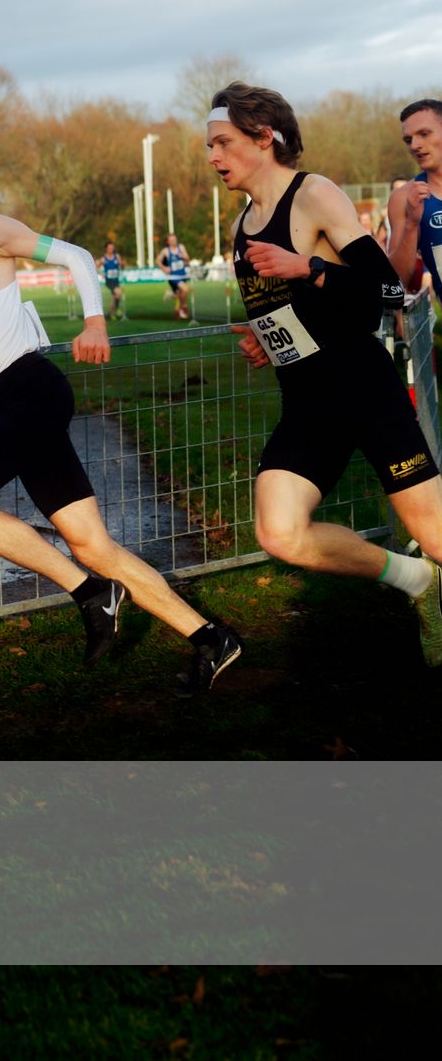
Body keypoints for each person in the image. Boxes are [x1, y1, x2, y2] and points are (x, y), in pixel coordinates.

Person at [0, 159, 243, 692]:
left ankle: (91, 594)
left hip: (33, 391)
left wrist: (94, 321)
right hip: (4, 404)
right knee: (93, 545)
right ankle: (211, 638)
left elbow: (76, 258)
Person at [210, 82, 442, 664]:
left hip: (365, 391)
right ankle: (418, 582)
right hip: (308, 404)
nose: (213, 157)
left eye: (222, 143)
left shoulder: (314, 195)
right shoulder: (241, 228)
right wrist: (267, 339)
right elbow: (285, 311)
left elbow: (385, 291)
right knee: (280, 532)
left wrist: (307, 266)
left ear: (265, 138)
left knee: (439, 533)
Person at [388, 98, 442, 304]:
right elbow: (396, 279)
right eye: (408, 140)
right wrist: (411, 224)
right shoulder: (404, 198)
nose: (415, 145)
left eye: (424, 134)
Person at [157, 231, 192, 320]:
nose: (174, 241)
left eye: (175, 239)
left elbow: (187, 259)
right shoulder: (166, 251)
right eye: (171, 240)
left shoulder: (181, 247)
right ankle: (184, 306)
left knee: (180, 294)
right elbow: (158, 261)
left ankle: (178, 311)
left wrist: (183, 257)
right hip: (173, 276)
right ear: (168, 242)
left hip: (182, 275)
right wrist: (164, 268)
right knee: (185, 290)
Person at [97, 239, 124, 319]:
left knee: (115, 296)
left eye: (113, 248)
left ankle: (111, 313)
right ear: (106, 249)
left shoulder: (117, 256)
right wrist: (102, 274)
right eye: (110, 248)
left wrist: (122, 265)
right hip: (109, 281)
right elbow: (96, 267)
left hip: (116, 280)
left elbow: (120, 265)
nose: (111, 249)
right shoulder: (103, 259)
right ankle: (116, 309)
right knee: (118, 293)